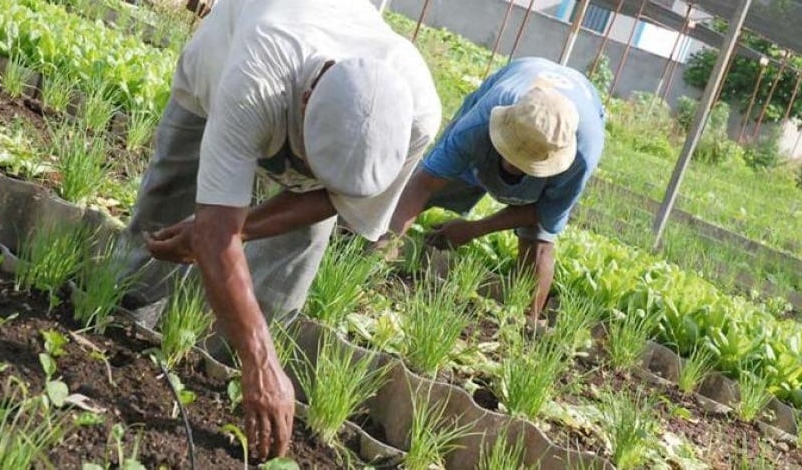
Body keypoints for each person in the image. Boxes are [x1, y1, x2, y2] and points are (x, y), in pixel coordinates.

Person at [118, 0, 441, 460]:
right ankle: (120, 324)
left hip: (310, 133)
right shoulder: (257, 76)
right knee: (164, 214)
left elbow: (331, 198)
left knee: (286, 271)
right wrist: (263, 361)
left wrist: (236, 231)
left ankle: (223, 379)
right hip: (217, 75)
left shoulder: (417, 116)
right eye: (312, 159)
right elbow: (215, 231)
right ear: (306, 100)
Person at [379, 57, 605, 323]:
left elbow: (545, 214)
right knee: (433, 186)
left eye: (527, 164)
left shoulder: (580, 157)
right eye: (511, 153)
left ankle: (524, 328)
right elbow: (424, 182)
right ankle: (367, 235)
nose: (514, 165)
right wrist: (385, 247)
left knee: (539, 242)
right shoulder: (482, 119)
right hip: (522, 73)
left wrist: (475, 228)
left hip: (582, 108)